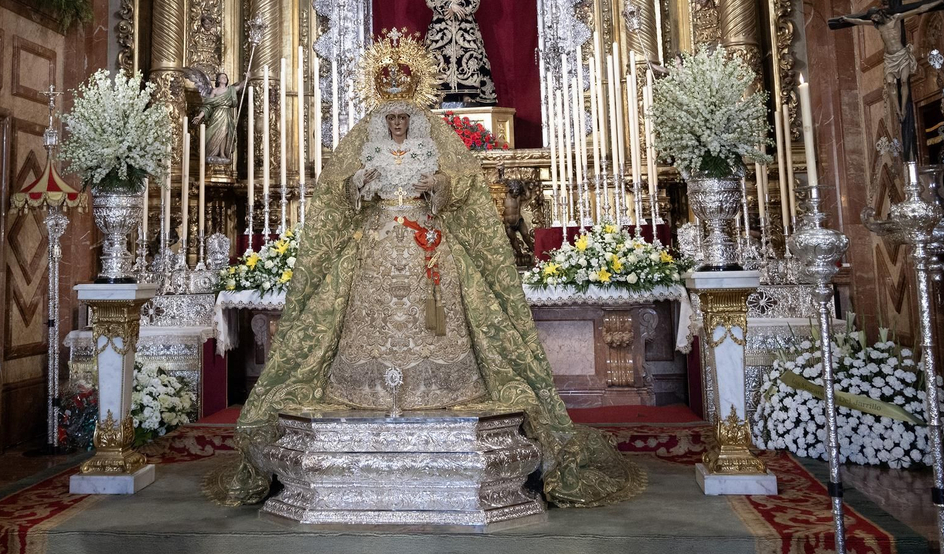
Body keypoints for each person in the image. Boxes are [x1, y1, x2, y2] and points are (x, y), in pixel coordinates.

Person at [205, 30, 642, 509]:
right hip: (373, 242)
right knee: (367, 313)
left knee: (435, 313)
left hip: (426, 241)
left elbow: (466, 186)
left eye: (401, 117)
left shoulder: (435, 136)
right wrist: (358, 185)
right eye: (389, 116)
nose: (395, 124)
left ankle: (439, 387)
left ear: (412, 113)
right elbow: (335, 191)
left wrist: (440, 183)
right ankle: (368, 389)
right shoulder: (362, 141)